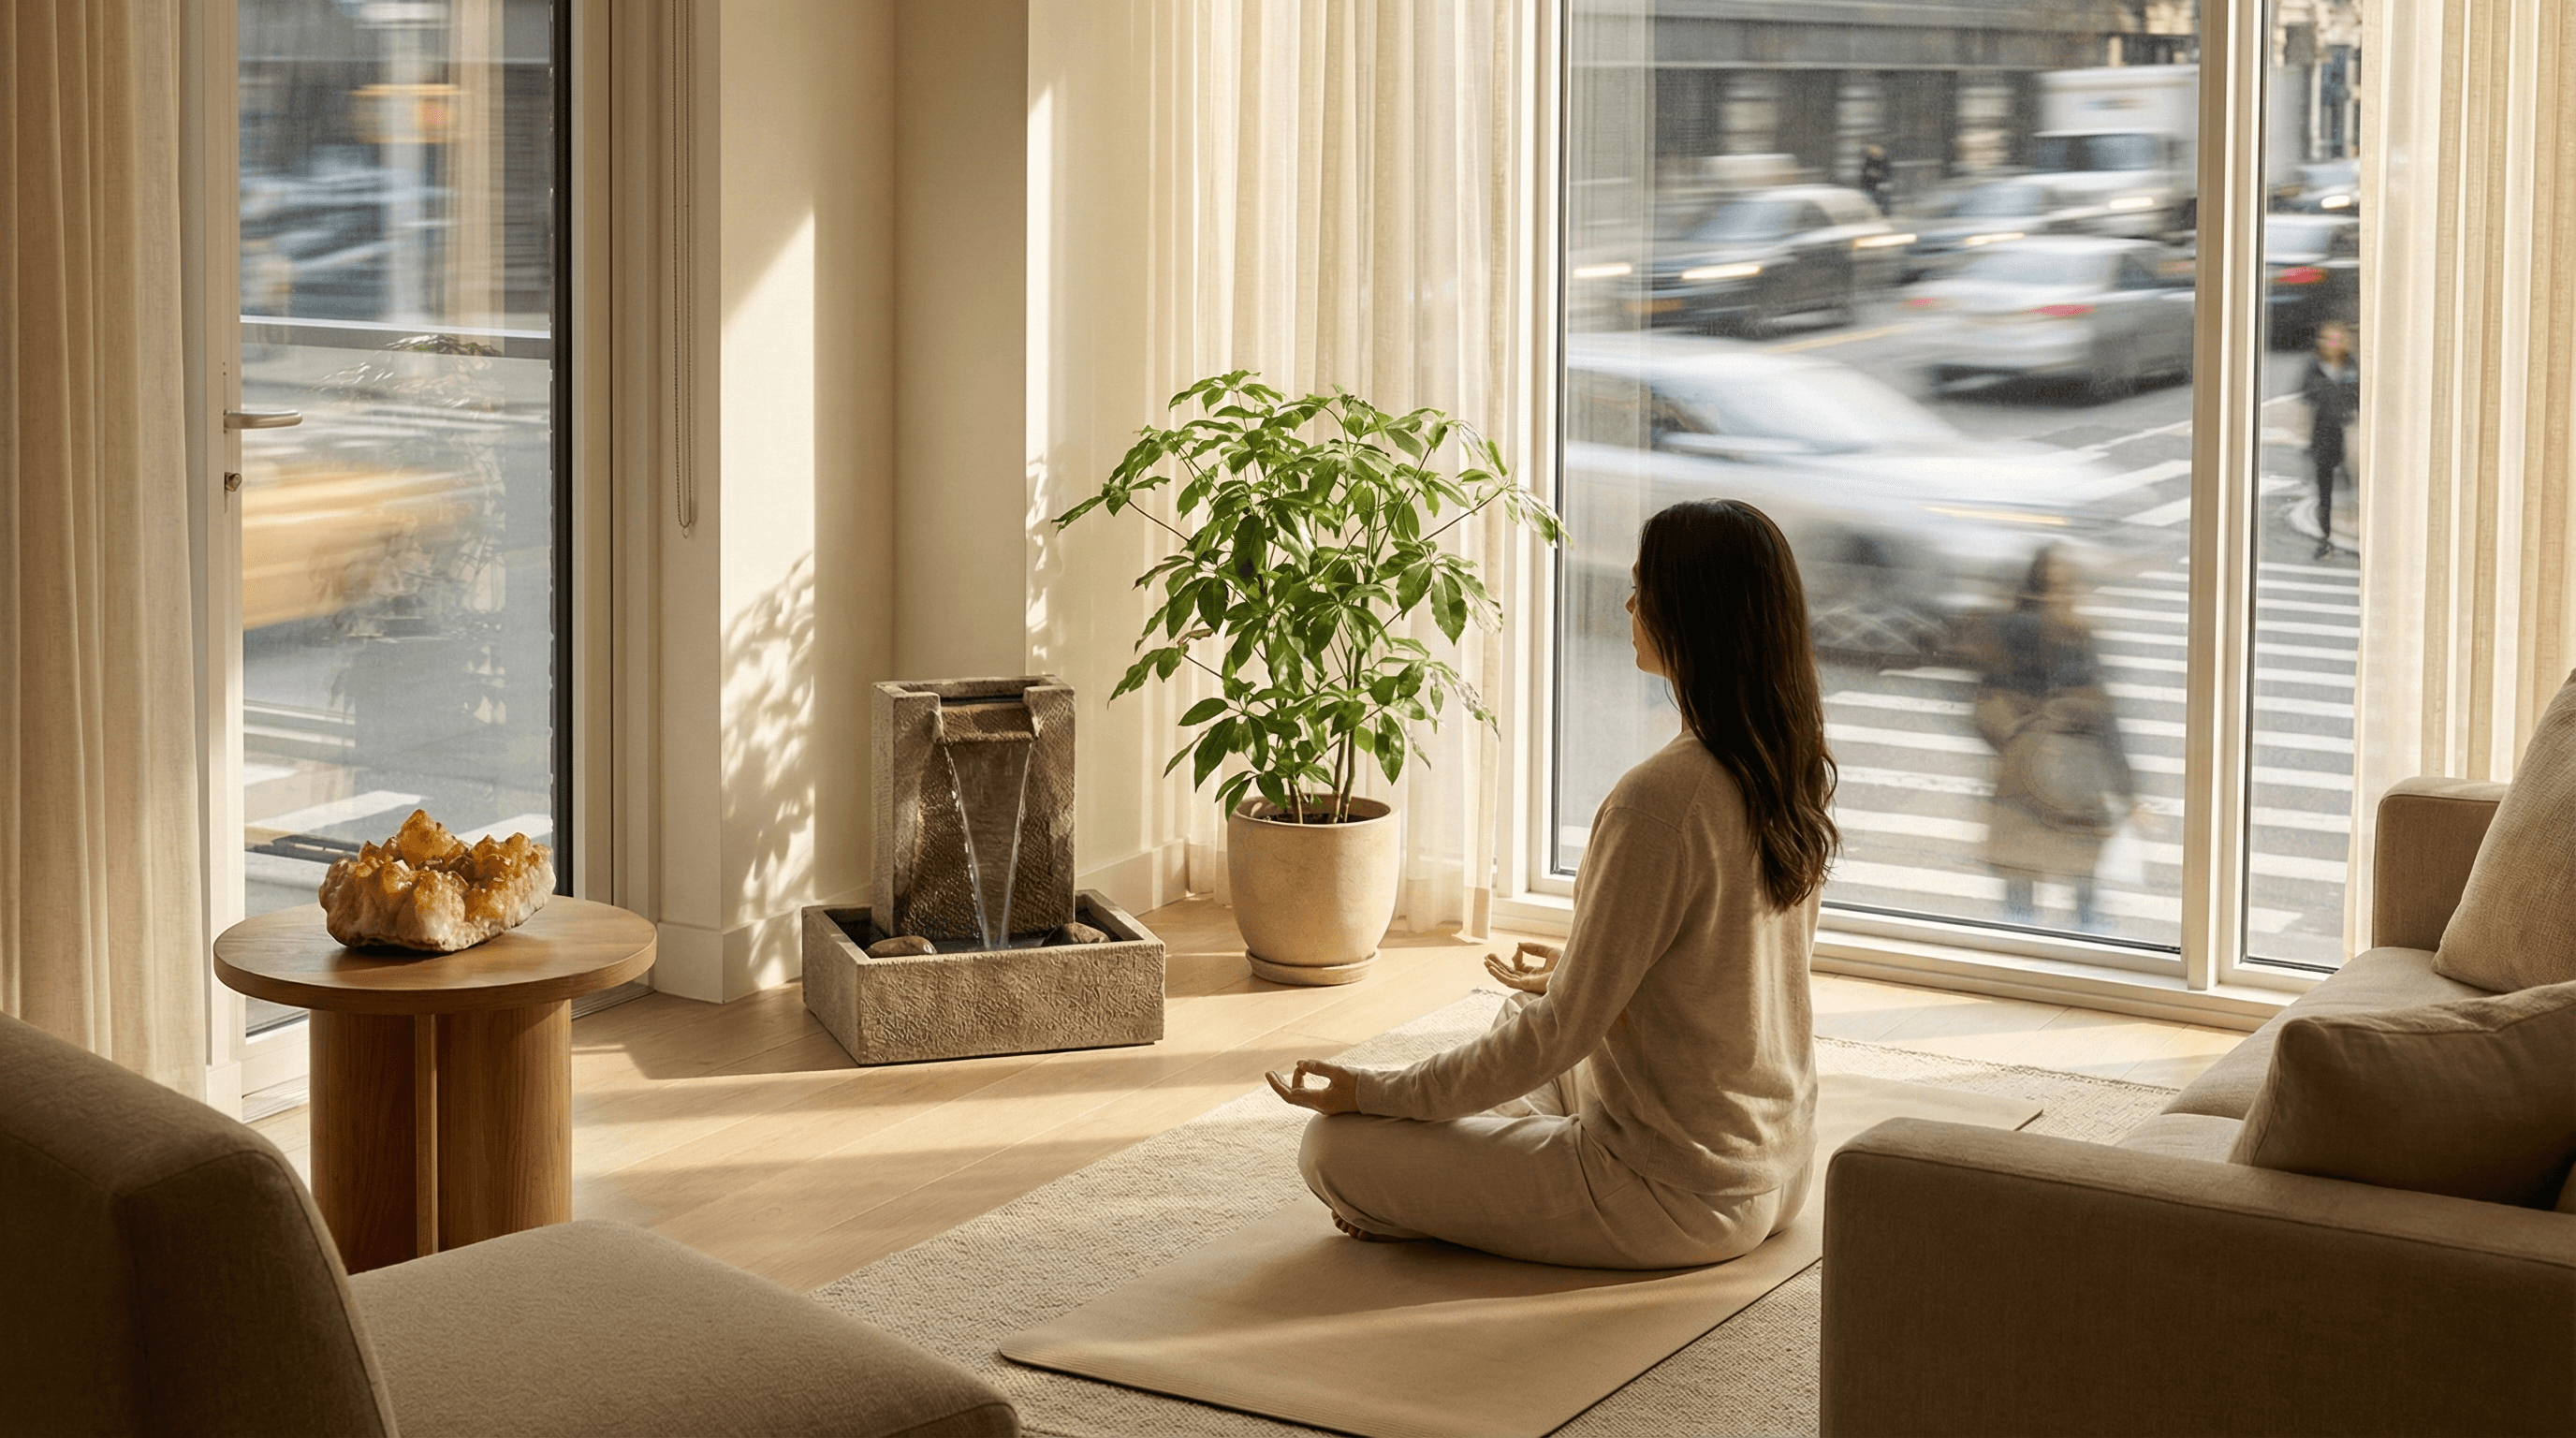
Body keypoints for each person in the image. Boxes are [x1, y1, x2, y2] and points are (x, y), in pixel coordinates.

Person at [1267, 500, 1838, 1270]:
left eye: (1645, 589)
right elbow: (1731, 968)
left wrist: (1373, 1092)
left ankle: (1439, 1193)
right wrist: (1583, 976)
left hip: (1674, 1195)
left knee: (1333, 1147)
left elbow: (1559, 1036)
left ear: (1692, 615)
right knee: (1523, 1004)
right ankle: (1474, 1168)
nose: (1628, 604)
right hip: (1778, 1169)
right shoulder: (1782, 759)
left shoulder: (1661, 798)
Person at [1970, 546, 2135, 932]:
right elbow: (1985, 710)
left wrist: (2127, 789)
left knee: (2083, 897)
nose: (2062, 598)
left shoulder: (2078, 638)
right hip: (2024, 785)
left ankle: (2084, 954)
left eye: (2068, 587)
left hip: (2075, 786)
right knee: (2023, 900)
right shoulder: (2017, 636)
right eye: (2052, 588)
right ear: (2033, 592)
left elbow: (2107, 720)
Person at [2301, 318, 2361, 560]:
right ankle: (2325, 539)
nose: (2331, 343)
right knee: (2325, 493)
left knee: (2353, 489)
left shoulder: (2351, 365)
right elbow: (2307, 395)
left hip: (2349, 437)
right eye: (2327, 338)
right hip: (2324, 436)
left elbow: (2361, 396)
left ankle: (2358, 531)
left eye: (2336, 339)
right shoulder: (2314, 366)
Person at [1858, 144, 1893, 215]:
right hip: (1870, 185)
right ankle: (1878, 213)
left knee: (1881, 200)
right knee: (1872, 201)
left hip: (1879, 184)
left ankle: (1884, 212)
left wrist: (1878, 174)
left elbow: (1888, 172)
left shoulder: (1884, 161)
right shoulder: (1869, 160)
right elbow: (1865, 172)